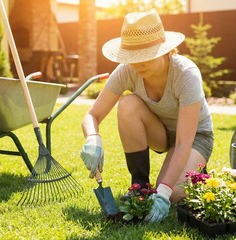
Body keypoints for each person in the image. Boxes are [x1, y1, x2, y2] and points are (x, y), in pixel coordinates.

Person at [80, 10, 214, 223]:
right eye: (133, 57)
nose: (138, 64)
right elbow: (92, 115)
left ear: (163, 50)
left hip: (194, 138)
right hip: (159, 132)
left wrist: (164, 192)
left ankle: (200, 173)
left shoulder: (186, 74)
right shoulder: (127, 71)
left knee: (175, 193)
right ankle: (140, 186)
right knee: (128, 104)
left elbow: (183, 142)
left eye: (146, 56)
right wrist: (92, 138)